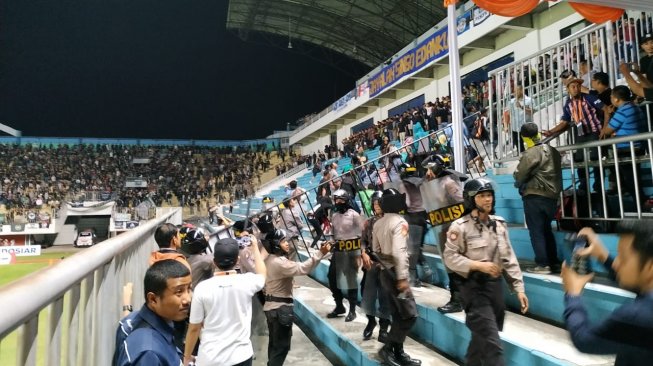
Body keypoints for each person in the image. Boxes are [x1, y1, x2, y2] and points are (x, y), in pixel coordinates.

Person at [443, 178, 529, 366]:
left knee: (481, 339)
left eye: (489, 195)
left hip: (494, 288)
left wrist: (519, 288)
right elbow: (449, 257)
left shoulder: (499, 224)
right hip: (473, 289)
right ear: (471, 199)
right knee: (492, 344)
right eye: (482, 196)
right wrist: (477, 265)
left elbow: (508, 257)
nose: (487, 199)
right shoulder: (459, 227)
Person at [561, 222, 653, 364]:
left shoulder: (638, 316)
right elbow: (640, 285)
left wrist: (572, 294)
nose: (616, 263)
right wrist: (602, 255)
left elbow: (584, 339)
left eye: (623, 258)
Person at [183, 236, 266, 366]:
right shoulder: (248, 282)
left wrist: (187, 356)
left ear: (215, 262)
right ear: (237, 261)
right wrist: (255, 247)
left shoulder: (202, 288)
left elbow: (194, 328)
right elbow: (262, 274)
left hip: (211, 358)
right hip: (242, 356)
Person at [263, 229, 331, 366]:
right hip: (281, 309)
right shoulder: (280, 263)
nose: (287, 244)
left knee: (274, 345)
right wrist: (320, 253)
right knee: (281, 347)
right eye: (283, 241)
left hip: (271, 308)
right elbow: (303, 268)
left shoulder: (268, 259)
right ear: (275, 244)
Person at [372, 188, 421, 366]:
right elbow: (400, 252)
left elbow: (375, 251)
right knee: (410, 315)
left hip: (385, 272)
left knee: (398, 315)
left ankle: (398, 352)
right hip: (396, 275)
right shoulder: (400, 222)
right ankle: (387, 349)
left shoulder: (378, 223)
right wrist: (401, 278)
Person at [112, 260, 192, 366]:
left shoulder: (135, 321)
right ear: (153, 299)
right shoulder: (148, 353)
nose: (188, 299)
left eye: (189, 289)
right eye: (179, 292)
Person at [543, 77, 609, 193]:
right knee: (579, 160)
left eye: (578, 86)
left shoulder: (589, 98)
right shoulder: (568, 104)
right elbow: (565, 122)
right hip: (581, 134)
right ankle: (584, 185)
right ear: (568, 89)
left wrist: (605, 128)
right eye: (573, 86)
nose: (576, 88)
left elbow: (606, 109)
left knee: (595, 158)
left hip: (594, 132)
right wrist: (551, 131)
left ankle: (598, 186)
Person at [514, 123, 562, 274]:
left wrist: (518, 180)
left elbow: (520, 175)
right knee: (546, 229)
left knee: (536, 231)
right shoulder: (553, 151)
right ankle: (554, 262)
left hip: (535, 195)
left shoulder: (531, 152)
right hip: (552, 197)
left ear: (524, 136)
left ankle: (542, 264)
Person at [421, 154, 466, 314]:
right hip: (443, 229)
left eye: (429, 169)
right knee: (450, 264)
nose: (427, 173)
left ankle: (457, 300)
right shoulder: (434, 184)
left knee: (454, 265)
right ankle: (457, 297)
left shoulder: (448, 183)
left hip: (452, 231)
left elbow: (462, 203)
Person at [601, 85, 647, 206]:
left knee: (630, 179)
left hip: (627, 148)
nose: (610, 99)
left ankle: (641, 203)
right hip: (638, 147)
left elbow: (606, 131)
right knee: (633, 177)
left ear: (616, 99)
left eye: (611, 97)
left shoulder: (623, 111)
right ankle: (641, 202)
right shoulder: (635, 107)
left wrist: (607, 115)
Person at [327, 189, 363, 322]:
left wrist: (359, 254)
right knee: (331, 277)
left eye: (341, 199)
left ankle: (352, 310)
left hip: (351, 250)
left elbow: (362, 235)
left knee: (350, 280)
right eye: (336, 200)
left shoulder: (354, 215)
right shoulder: (334, 215)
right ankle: (339, 305)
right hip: (338, 251)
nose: (338, 202)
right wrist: (330, 242)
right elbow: (332, 233)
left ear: (346, 200)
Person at [360, 190, 391, 342]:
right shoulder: (369, 222)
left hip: (386, 263)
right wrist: (364, 253)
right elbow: (363, 241)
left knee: (385, 296)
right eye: (374, 203)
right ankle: (371, 321)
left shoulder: (392, 221)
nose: (377, 205)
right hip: (370, 263)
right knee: (366, 294)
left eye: (379, 202)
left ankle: (384, 328)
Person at [507, 84, 532, 154]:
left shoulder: (529, 100)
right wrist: (506, 126)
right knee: (520, 150)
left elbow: (532, 112)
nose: (515, 93)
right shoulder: (511, 102)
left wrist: (522, 107)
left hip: (527, 127)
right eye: (514, 91)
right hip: (515, 129)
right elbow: (508, 114)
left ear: (522, 90)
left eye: (517, 91)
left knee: (532, 146)